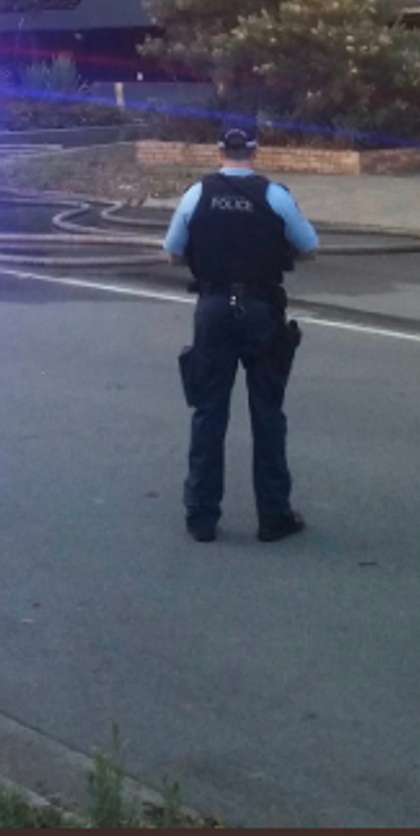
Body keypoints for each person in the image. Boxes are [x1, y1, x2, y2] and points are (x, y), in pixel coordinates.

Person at [163, 126, 318, 543]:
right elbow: (309, 244)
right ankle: (273, 516)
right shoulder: (275, 195)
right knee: (267, 413)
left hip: (213, 309)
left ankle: (201, 517)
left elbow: (173, 250)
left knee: (209, 412)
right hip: (262, 309)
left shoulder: (197, 194)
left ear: (219, 152)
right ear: (255, 151)